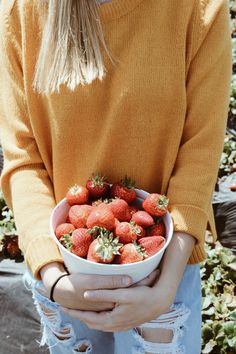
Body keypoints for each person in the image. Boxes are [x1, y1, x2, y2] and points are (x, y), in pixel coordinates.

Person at [0, 0, 232, 353]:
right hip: (66, 277)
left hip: (165, 271)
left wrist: (165, 287)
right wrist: (53, 277)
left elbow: (199, 151)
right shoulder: (21, 11)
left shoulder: (198, 9)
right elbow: (23, 160)